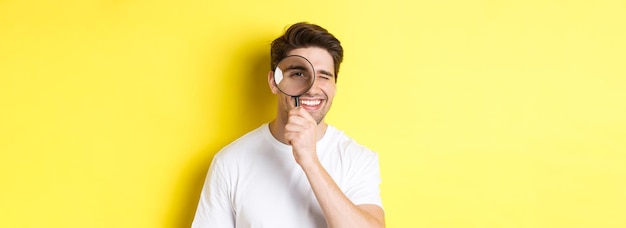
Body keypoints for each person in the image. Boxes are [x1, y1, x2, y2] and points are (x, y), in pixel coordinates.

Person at [192, 22, 385, 228]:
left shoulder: (358, 159)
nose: (312, 89)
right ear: (274, 82)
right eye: (298, 74)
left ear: (334, 86)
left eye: (324, 76)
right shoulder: (230, 162)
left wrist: (310, 161)